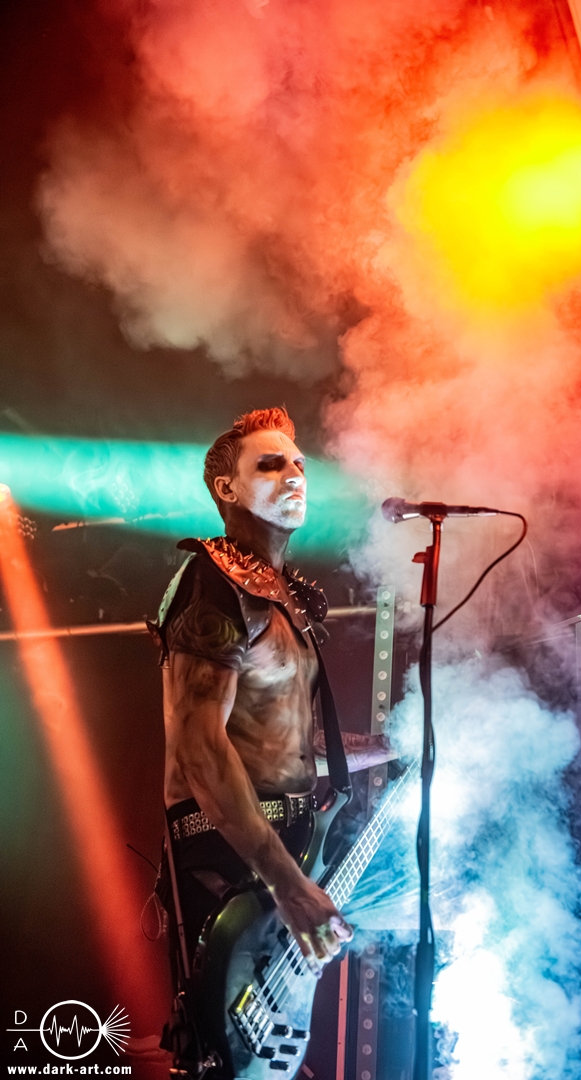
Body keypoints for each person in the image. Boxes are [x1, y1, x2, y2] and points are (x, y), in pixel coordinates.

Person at [150, 406, 390, 1071]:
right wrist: (287, 883)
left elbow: (290, 742)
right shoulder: (212, 581)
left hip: (286, 847)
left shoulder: (287, 600)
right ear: (226, 488)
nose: (294, 474)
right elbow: (200, 749)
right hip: (231, 857)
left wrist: (395, 745)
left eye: (299, 463)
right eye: (270, 463)